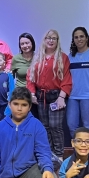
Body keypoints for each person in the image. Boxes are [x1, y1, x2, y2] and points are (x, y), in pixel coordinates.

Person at [27, 29, 73, 163]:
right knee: (44, 126)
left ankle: (59, 155)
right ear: (44, 40)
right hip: (40, 96)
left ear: (57, 41)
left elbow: (67, 79)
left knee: (55, 126)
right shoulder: (37, 57)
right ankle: (49, 154)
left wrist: (62, 97)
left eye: (54, 38)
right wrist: (32, 94)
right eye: (48, 38)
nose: (51, 40)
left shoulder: (63, 57)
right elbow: (30, 77)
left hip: (56, 96)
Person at [10, 32, 38, 119]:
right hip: (20, 94)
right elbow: (11, 77)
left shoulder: (39, 57)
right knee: (21, 119)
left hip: (36, 95)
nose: (25, 46)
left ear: (32, 43)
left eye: (27, 43)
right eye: (22, 44)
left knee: (35, 119)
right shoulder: (16, 59)